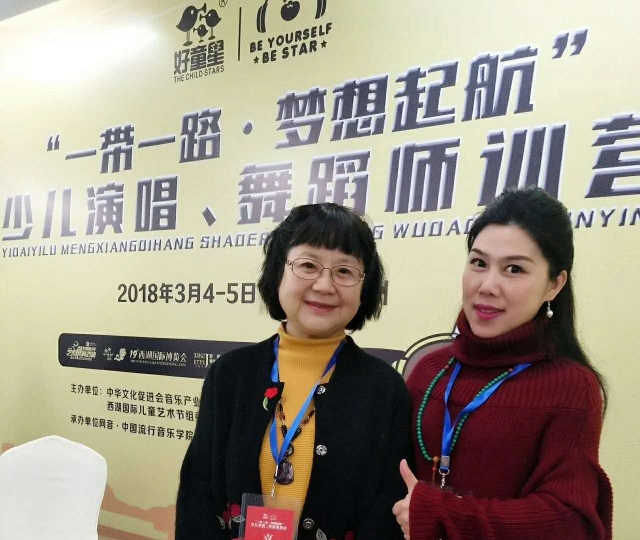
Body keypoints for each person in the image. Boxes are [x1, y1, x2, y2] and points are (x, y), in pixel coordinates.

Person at [176, 203, 411, 540]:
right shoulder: (229, 375)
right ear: (278, 272)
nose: (324, 285)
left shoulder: (385, 389)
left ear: (366, 286)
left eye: (344, 271)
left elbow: (386, 508)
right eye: (308, 265)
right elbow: (197, 493)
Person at [393, 187, 613, 539]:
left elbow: (568, 521)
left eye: (514, 269)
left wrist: (442, 514)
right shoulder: (429, 371)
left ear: (554, 285)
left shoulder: (571, 386)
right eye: (479, 263)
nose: (487, 286)